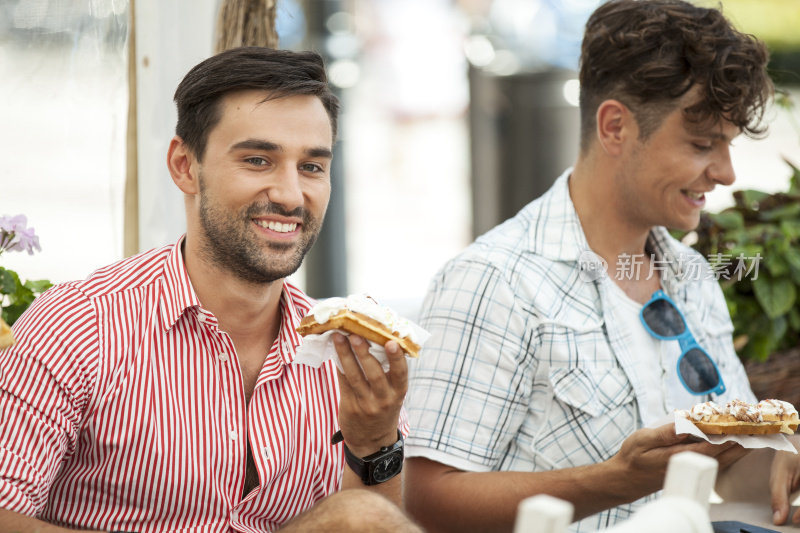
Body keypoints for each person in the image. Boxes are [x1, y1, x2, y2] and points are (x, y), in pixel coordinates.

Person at [403, 1, 799, 531]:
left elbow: (728, 473)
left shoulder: (690, 273)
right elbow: (423, 502)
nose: (726, 173)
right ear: (614, 127)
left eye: (727, 146)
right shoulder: (494, 281)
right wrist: (614, 479)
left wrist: (779, 459)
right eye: (703, 144)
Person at [0, 47, 421, 532]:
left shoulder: (340, 353)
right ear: (184, 166)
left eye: (311, 167)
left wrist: (374, 445)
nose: (289, 195)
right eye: (259, 160)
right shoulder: (80, 326)